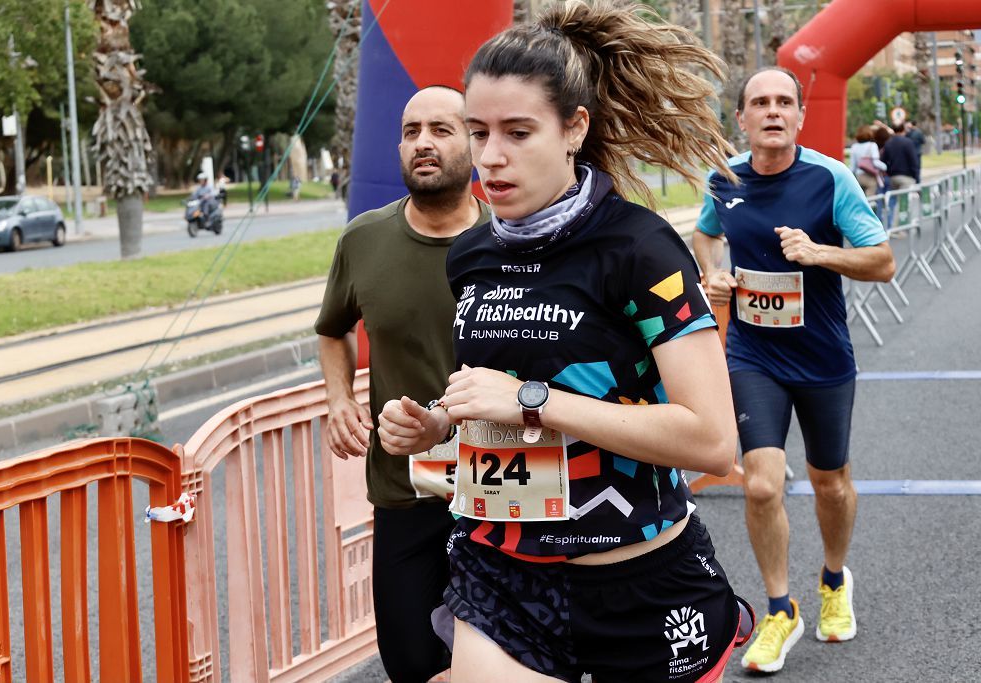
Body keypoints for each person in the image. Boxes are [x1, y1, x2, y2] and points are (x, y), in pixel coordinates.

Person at [379, 3, 752, 681]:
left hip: (638, 584)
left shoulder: (639, 248)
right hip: (503, 578)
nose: (490, 157)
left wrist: (532, 400)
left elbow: (711, 440)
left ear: (574, 127)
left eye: (518, 132)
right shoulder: (471, 255)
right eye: (478, 131)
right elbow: (494, 390)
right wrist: (434, 420)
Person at [693, 67, 897, 674]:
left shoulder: (829, 177)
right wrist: (713, 272)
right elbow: (706, 237)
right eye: (760, 102)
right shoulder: (722, 178)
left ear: (800, 117)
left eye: (785, 102)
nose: (773, 111)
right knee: (760, 482)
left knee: (830, 481)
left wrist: (818, 253)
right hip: (754, 354)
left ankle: (834, 579)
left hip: (823, 357)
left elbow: (882, 261)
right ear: (742, 118)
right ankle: (780, 609)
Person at [315, 85, 489, 683]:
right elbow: (332, 330)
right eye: (412, 130)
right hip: (405, 489)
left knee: (498, 661)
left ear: (474, 140)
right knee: (412, 663)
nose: (423, 143)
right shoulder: (364, 239)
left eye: (442, 129)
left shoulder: (515, 239)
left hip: (508, 490)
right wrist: (338, 398)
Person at [880, 122, 920, 190]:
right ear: (903, 130)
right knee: (904, 199)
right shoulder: (908, 142)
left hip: (893, 177)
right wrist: (916, 177)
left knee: (894, 199)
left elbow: (883, 161)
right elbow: (913, 161)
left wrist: (889, 172)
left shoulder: (888, 143)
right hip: (906, 177)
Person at [849, 125, 885, 197]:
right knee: (870, 200)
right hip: (869, 176)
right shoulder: (872, 145)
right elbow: (876, 163)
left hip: (858, 176)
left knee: (860, 199)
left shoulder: (854, 146)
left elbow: (853, 166)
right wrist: (885, 166)